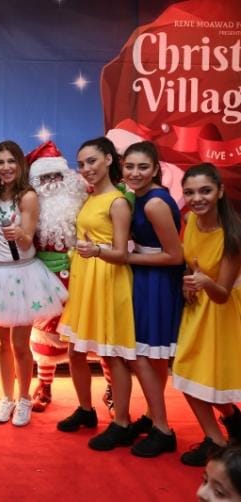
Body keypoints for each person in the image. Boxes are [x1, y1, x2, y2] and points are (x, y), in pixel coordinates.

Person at [0, 141, 67, 427]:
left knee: (20, 345)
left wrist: (20, 235)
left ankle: (24, 398)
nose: (6, 167)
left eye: (11, 161)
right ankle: (7, 397)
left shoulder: (27, 197)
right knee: (1, 344)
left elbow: (27, 240)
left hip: (22, 275)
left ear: (20, 165)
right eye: (1, 162)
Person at [56, 137, 136, 452]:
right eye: (81, 164)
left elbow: (122, 253)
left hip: (108, 279)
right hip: (85, 279)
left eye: (92, 161)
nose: (86, 168)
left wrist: (96, 251)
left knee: (112, 354)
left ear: (108, 159)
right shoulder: (91, 198)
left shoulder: (117, 202)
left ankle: (122, 422)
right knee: (75, 351)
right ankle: (86, 410)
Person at [24, 141, 110, 414]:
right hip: (45, 278)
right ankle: (44, 384)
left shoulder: (85, 196)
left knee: (95, 333)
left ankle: (111, 388)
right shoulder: (30, 205)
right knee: (43, 333)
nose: (52, 183)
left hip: (85, 276)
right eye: (45, 178)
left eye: (56, 175)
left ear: (67, 176)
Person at [173, 163, 241, 467]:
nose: (197, 198)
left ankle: (218, 440)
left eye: (205, 191)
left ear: (220, 191)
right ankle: (227, 428)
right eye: (190, 192)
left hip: (223, 313)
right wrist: (188, 282)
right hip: (198, 308)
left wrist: (203, 282)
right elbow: (192, 262)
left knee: (206, 376)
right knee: (188, 373)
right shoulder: (189, 220)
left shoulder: (233, 236)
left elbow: (223, 294)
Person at [120, 141, 181, 457]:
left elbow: (174, 255)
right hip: (147, 277)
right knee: (152, 357)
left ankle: (163, 429)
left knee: (143, 354)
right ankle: (151, 416)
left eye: (143, 167)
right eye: (129, 166)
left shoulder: (154, 203)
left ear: (156, 169)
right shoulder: (138, 197)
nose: (135, 173)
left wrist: (126, 258)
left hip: (157, 281)